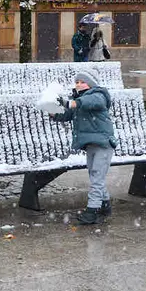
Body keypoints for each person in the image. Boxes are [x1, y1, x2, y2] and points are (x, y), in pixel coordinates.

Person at [52, 70, 118, 225]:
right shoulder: (79, 99)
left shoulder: (99, 95)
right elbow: (67, 114)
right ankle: (105, 205)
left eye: (83, 82)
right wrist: (53, 112)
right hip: (90, 145)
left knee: (96, 177)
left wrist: (71, 103)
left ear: (91, 84)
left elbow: (90, 102)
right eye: (77, 82)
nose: (79, 84)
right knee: (95, 175)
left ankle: (92, 212)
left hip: (103, 144)